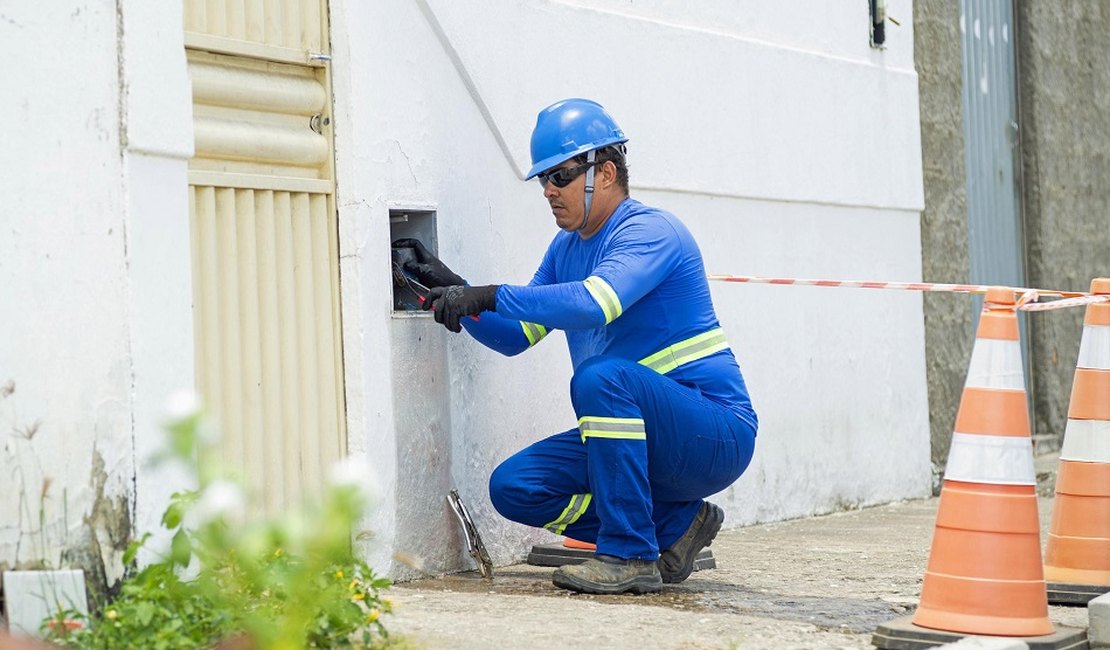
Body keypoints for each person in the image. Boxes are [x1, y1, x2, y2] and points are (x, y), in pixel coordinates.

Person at [393, 98, 757, 595]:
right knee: (515, 487)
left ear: (604, 173)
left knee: (600, 376)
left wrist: (492, 293)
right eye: (543, 179)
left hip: (713, 435)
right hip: (642, 440)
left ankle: (628, 554)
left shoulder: (651, 231)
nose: (548, 190)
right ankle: (674, 529)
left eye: (560, 175)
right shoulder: (566, 249)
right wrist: (456, 289)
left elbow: (594, 304)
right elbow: (515, 336)